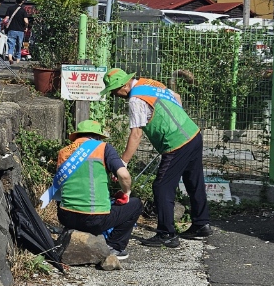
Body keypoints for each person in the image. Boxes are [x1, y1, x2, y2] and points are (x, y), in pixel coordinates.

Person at [106, 68, 209, 248]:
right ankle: (201, 223)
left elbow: (136, 134)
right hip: (193, 134)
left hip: (176, 144)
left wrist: (123, 162)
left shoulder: (135, 100)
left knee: (162, 186)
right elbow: (176, 97)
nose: (115, 95)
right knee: (194, 181)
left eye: (114, 91)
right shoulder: (149, 83)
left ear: (123, 86)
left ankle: (166, 233)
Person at [43, 119, 141, 262]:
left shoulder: (63, 152)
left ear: (77, 136)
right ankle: (114, 245)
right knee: (136, 204)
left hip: (66, 217)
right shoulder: (103, 148)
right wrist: (126, 192)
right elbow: (124, 175)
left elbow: (59, 189)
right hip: (94, 220)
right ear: (98, 137)